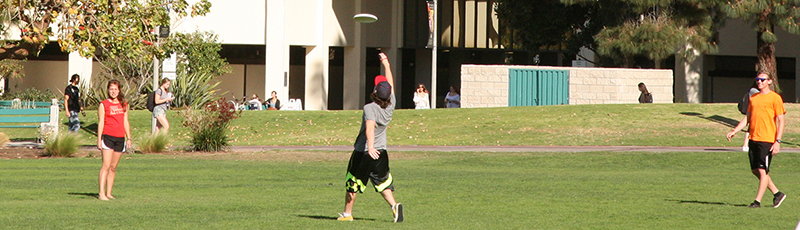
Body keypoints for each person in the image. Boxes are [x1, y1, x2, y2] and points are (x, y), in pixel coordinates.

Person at [338, 52, 403, 223]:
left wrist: (371, 147)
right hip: (382, 152)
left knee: (353, 182)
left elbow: (370, 128)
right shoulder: (391, 104)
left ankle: (347, 214)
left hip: (365, 152)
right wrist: (386, 64)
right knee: (381, 182)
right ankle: (395, 207)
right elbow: (390, 84)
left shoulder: (370, 108)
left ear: (375, 91)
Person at [726, 73, 786, 208]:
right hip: (754, 138)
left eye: (762, 80)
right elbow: (748, 118)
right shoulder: (754, 98)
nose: (759, 82)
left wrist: (778, 141)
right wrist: (734, 131)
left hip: (767, 140)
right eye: (758, 80)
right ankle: (777, 194)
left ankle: (757, 201)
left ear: (769, 81)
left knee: (762, 171)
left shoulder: (775, 98)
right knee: (755, 170)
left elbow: (781, 121)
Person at [97, 80, 133, 201]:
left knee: (113, 167)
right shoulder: (104, 104)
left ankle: (109, 193)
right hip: (108, 137)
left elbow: (125, 121)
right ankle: (101, 193)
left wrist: (129, 137)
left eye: (116, 89)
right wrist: (99, 139)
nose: (113, 91)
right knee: (106, 166)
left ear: (119, 90)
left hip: (120, 138)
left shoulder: (124, 104)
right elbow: (101, 122)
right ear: (108, 90)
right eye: (111, 89)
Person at [740, 81, 760, 152]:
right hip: (753, 112)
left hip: (756, 112)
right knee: (750, 128)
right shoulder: (753, 90)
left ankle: (746, 145)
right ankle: (745, 145)